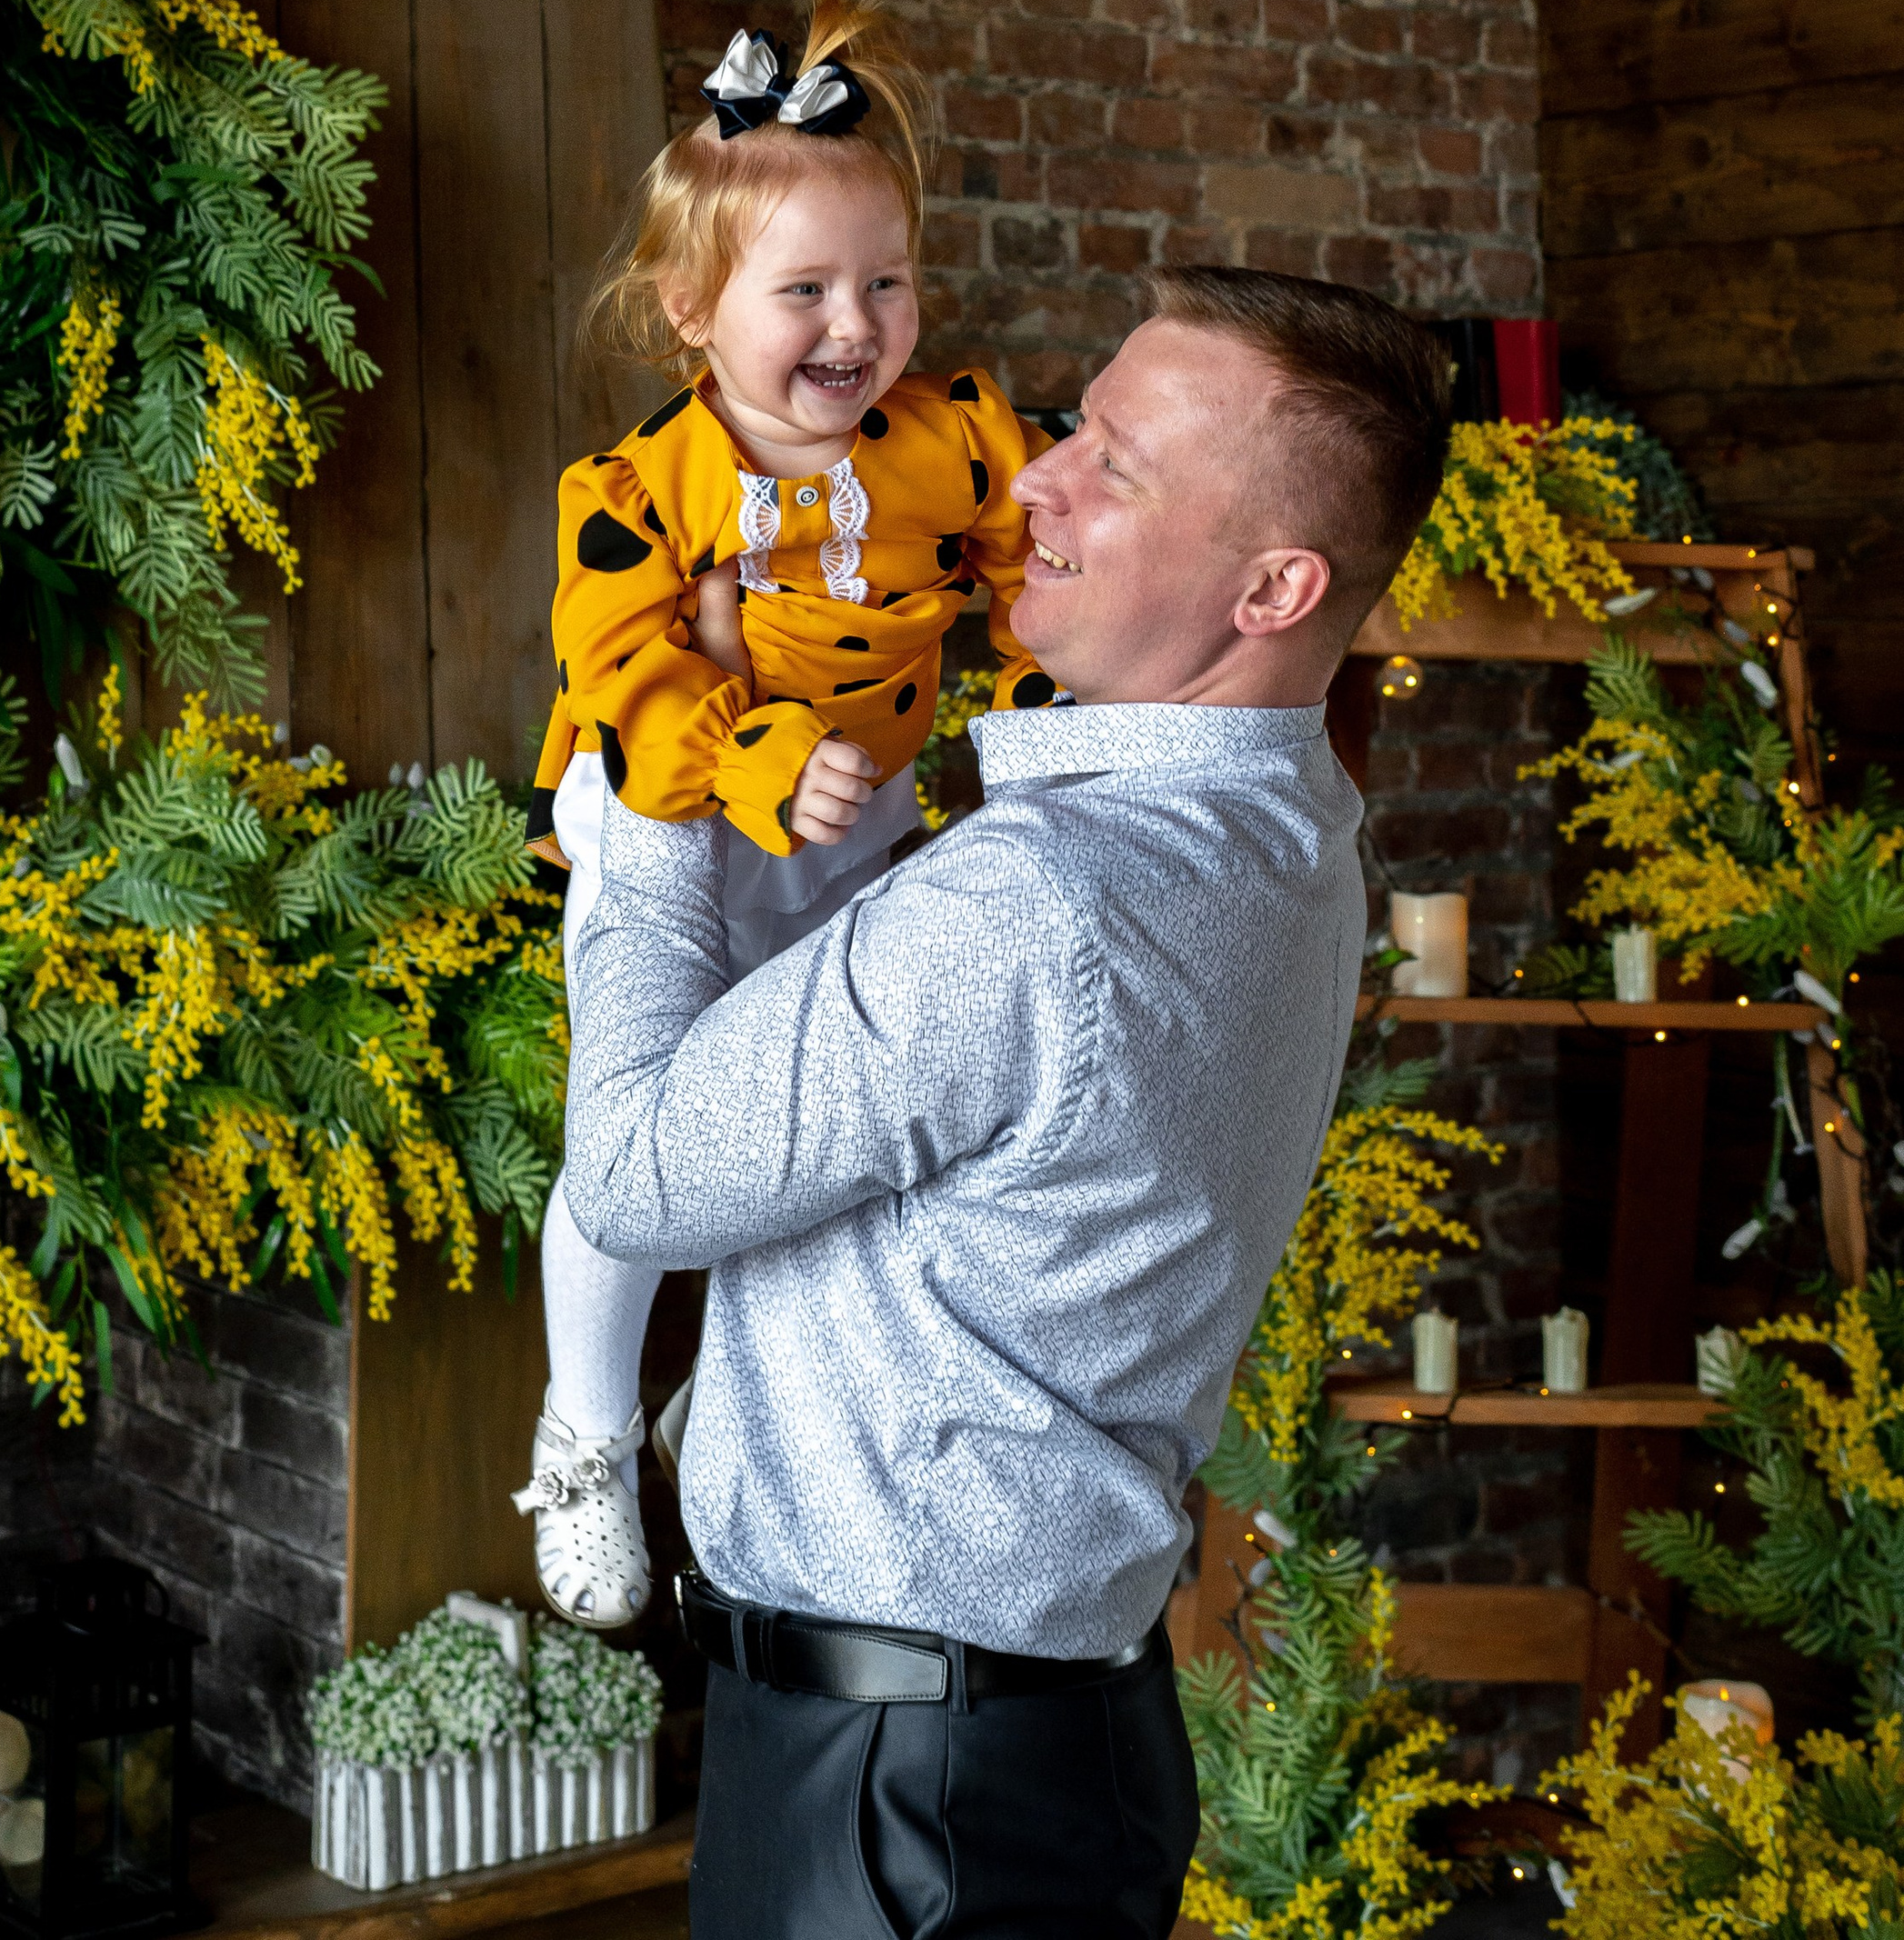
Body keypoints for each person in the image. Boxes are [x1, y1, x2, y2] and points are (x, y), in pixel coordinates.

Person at [561, 265, 1456, 1940]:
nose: (1028, 480)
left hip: (902, 1805)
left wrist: (657, 781)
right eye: (1067, 429)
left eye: (1113, 466)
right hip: (1033, 1749)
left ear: (1276, 585)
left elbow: (628, 1171)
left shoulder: (1040, 903)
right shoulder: (1298, 835)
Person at [516, 0, 1059, 1630]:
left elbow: (1029, 577)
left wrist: (1032, 730)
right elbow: (620, 671)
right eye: (806, 291)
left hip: (862, 824)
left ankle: (736, 1396)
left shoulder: (947, 442)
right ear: (690, 306)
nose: (857, 326)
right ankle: (591, 1427)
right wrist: (752, 754)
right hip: (667, 808)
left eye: (884, 283)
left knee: (823, 1124)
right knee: (634, 1137)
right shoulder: (638, 492)